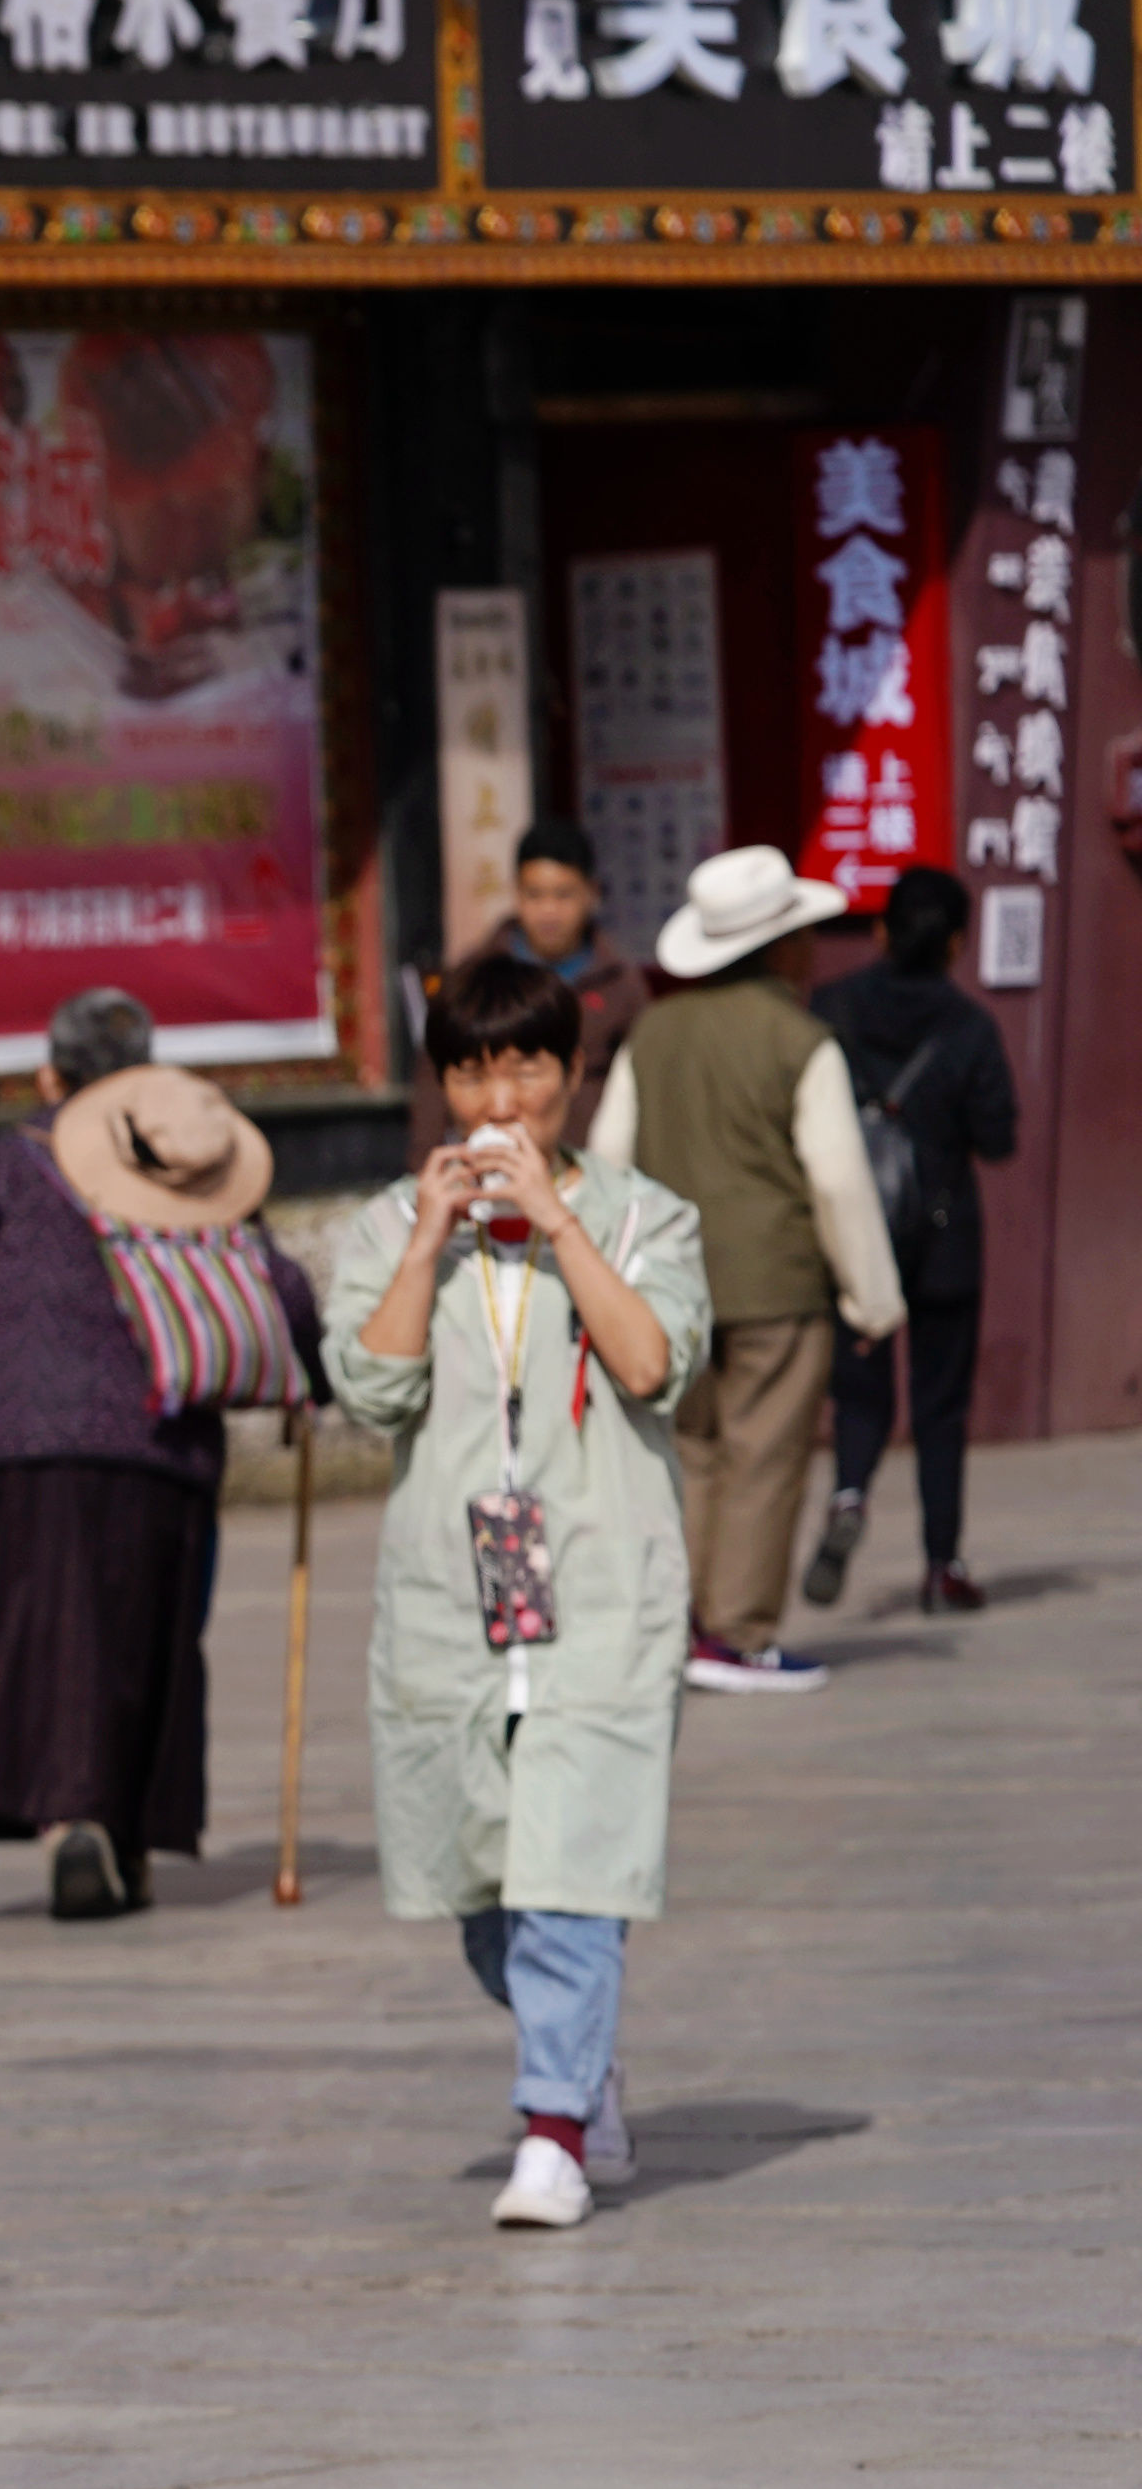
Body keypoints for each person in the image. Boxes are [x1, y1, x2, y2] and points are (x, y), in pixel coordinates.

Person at [327, 951, 708, 2234]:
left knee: (573, 1869)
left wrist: (559, 1222)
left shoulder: (648, 1216)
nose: (503, 1099)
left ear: (572, 1075)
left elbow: (654, 1364)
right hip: (455, 1603)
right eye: (475, 1069)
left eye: (528, 1068)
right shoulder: (390, 1225)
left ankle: (550, 2129)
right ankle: (583, 2058)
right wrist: (433, 1237)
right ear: (441, 1085)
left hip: (602, 1593)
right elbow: (370, 1389)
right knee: (483, 1897)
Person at [0, 989, 324, 1923]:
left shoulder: (6, 1165)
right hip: (159, 1436)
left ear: (51, 1074)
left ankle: (68, 1821)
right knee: (144, 1636)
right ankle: (123, 1828)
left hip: (15, 1435)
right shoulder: (182, 1162)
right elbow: (285, 1293)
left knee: (36, 1634)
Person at [601, 844, 903, 1694]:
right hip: (776, 1281)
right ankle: (738, 1632)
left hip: (667, 1284)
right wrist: (872, 1300)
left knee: (688, 1454)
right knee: (762, 1456)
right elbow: (839, 1180)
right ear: (780, 950)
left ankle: (683, 1621)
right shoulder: (800, 1041)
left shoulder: (653, 1033)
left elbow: (611, 1158)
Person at [804, 862, 1012, 1617]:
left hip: (857, 1230)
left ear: (882, 931)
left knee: (859, 1390)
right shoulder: (970, 1027)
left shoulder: (828, 1008)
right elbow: (999, 1138)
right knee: (940, 1406)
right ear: (956, 943)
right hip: (945, 1236)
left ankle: (850, 1496)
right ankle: (941, 1565)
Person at [440, 820, 641, 1146]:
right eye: (534, 895)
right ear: (515, 893)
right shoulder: (475, 973)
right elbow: (434, 1077)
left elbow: (639, 1084)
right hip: (489, 1158)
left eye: (563, 895)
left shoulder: (620, 982)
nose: (548, 912)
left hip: (589, 1164)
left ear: (592, 893)